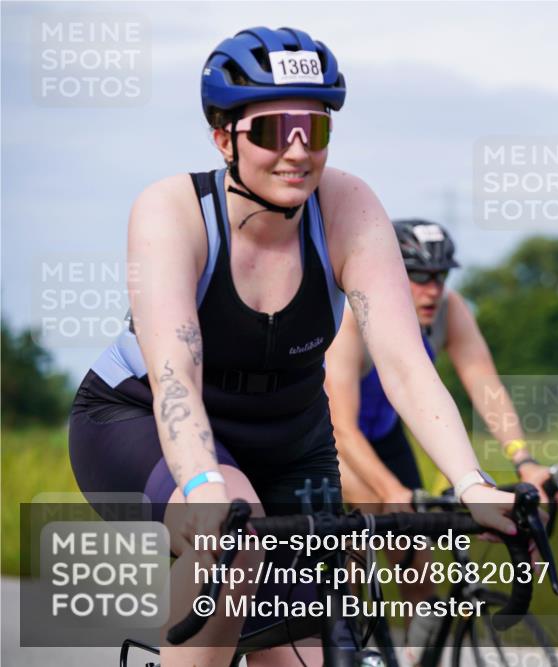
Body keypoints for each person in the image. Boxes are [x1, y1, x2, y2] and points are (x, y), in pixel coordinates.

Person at [67, 27, 515, 667]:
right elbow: (174, 381)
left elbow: (405, 366)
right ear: (224, 135)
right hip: (142, 420)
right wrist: (202, 488)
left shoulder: (348, 206)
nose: (298, 152)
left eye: (316, 129)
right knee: (235, 547)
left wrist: (474, 484)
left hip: (290, 439)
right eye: (276, 131)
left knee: (306, 651)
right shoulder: (172, 211)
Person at [323, 219, 554, 652]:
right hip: (333, 438)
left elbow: (485, 385)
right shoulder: (353, 321)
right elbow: (341, 427)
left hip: (386, 437)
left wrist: (524, 459)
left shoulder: (451, 309)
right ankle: (345, 641)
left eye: (441, 277)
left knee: (417, 568)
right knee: (365, 531)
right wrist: (390, 488)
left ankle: (414, 656)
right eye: (419, 277)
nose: (433, 290)